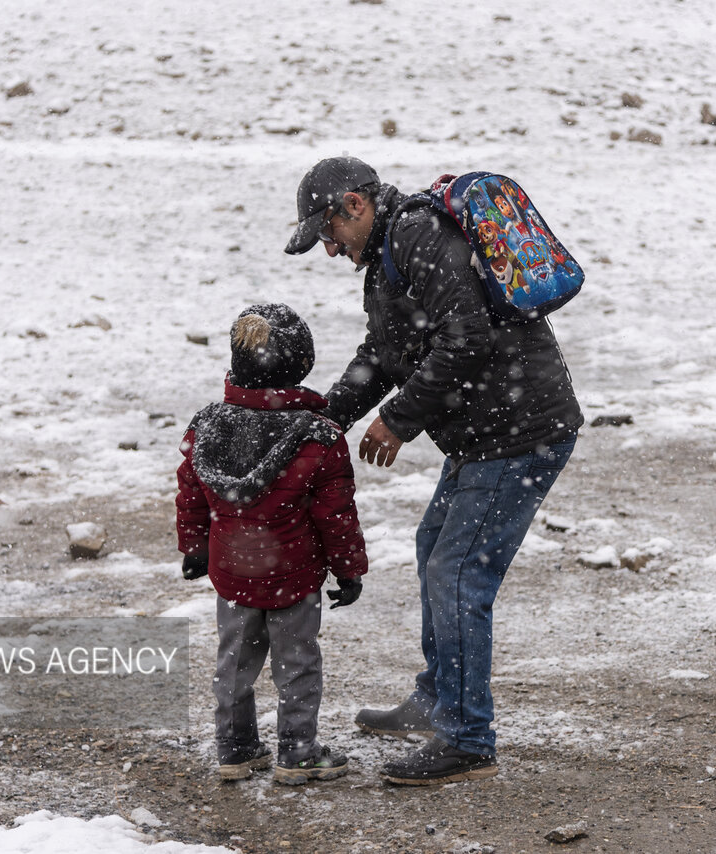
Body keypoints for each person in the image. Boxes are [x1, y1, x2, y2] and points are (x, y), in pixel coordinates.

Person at [285, 157, 582, 785]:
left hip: (519, 434)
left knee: (457, 575)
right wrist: (328, 419)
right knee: (434, 551)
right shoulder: (392, 254)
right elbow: (386, 350)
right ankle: (438, 697)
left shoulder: (417, 237)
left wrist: (399, 419)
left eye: (329, 233)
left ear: (355, 206)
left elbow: (465, 338)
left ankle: (468, 738)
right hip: (489, 435)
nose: (331, 249)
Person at [176, 303, 368, 785]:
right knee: (297, 664)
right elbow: (334, 513)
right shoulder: (319, 437)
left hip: (233, 572)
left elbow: (192, 492)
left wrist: (195, 548)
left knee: (234, 662)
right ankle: (298, 750)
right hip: (294, 574)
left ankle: (235, 747)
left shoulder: (208, 426)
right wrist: (349, 569)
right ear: (301, 364)